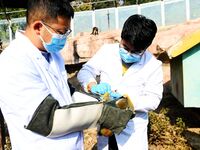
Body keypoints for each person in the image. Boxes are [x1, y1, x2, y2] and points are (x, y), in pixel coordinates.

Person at [0, 0, 133, 150]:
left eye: (67, 32)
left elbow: (67, 94)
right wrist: (102, 113)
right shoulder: (13, 62)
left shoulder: (53, 54)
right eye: (61, 32)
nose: (64, 37)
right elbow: (46, 119)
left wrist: (102, 101)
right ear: (38, 27)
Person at [77, 14, 163, 150]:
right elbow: (85, 71)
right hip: (106, 122)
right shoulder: (107, 51)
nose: (128, 54)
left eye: (135, 52)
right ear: (121, 38)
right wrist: (92, 85)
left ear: (145, 48)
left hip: (132, 130)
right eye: (125, 47)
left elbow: (154, 99)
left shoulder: (153, 65)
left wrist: (128, 101)